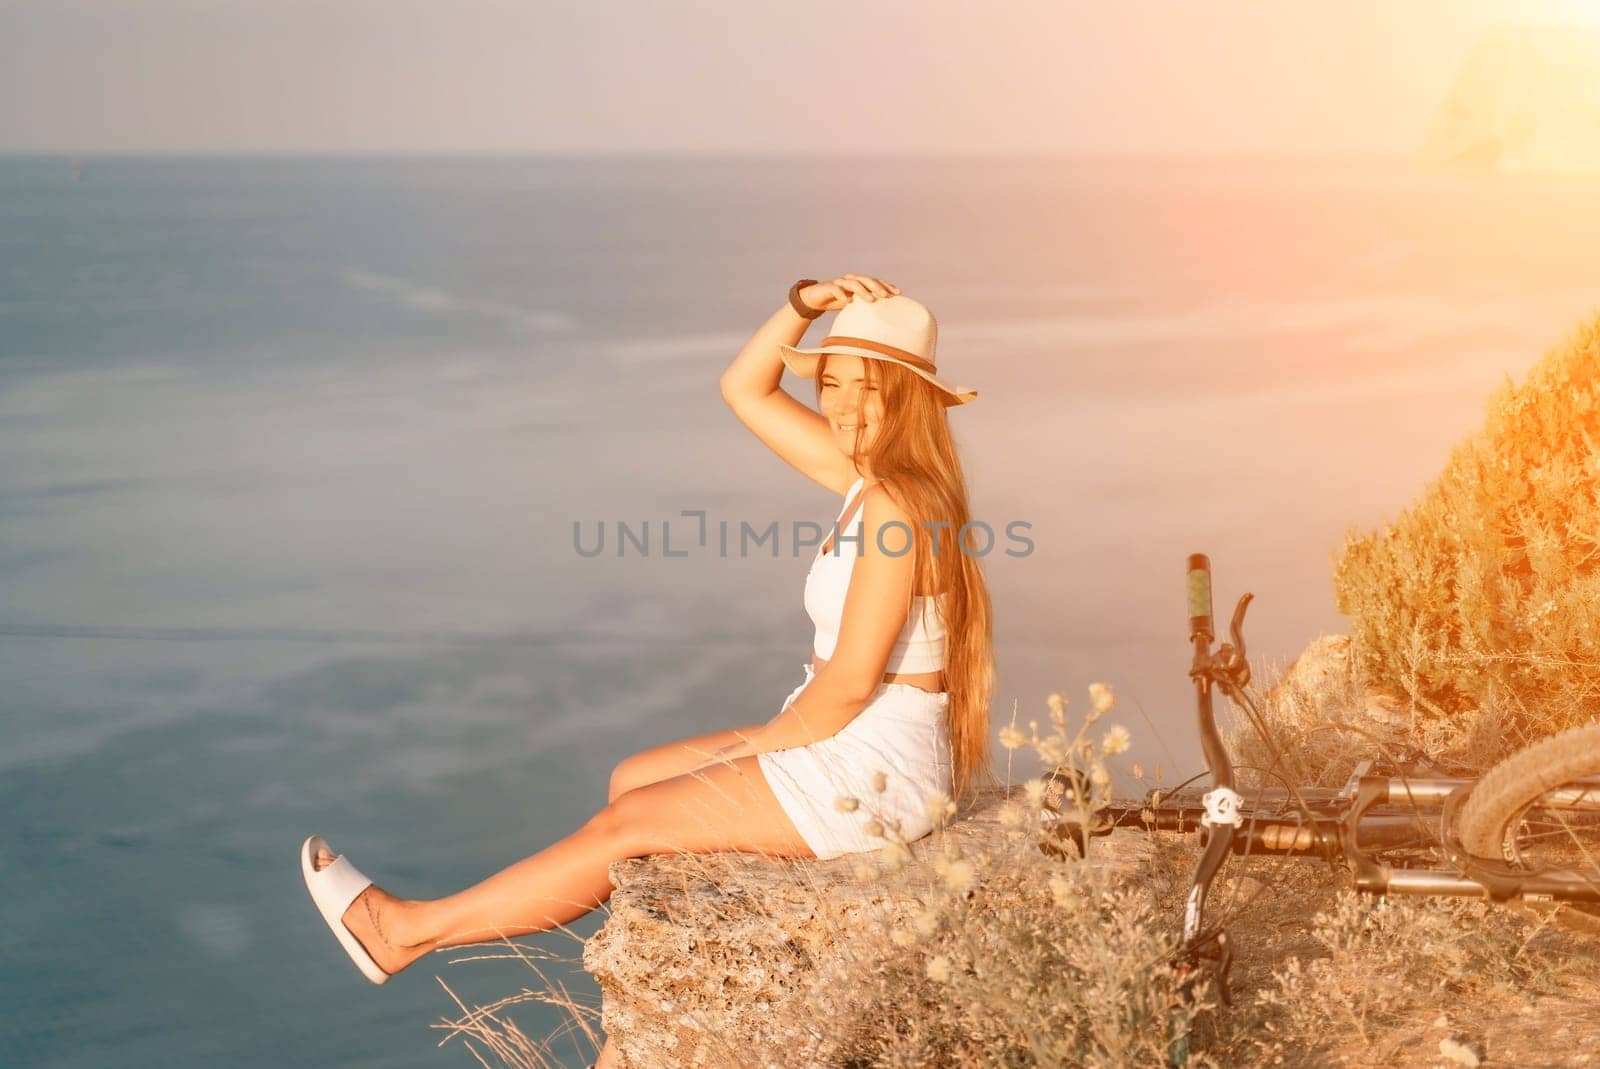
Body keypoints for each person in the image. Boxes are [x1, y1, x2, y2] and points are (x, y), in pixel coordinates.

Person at [300, 272, 995, 1067]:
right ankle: (643, 1012)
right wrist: (802, 306)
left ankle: (404, 931)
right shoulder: (871, 480)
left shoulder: (899, 505)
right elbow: (745, 387)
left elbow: (847, 684)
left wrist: (752, 753)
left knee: (625, 826)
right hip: (857, 733)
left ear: (906, 395)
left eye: (864, 389)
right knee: (634, 778)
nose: (840, 406)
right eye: (831, 383)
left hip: (875, 760)